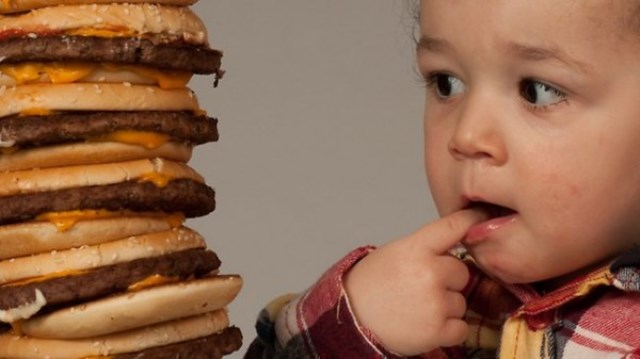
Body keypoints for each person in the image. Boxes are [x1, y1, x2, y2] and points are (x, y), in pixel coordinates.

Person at [245, 0, 640, 357]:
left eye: (538, 91)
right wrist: (348, 331)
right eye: (446, 83)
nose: (466, 136)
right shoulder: (428, 312)